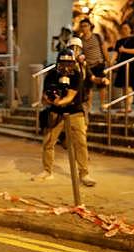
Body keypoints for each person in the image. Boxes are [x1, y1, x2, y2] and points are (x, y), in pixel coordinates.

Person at [32, 49, 98, 187]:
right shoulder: (51, 75)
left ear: (73, 63)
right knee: (48, 142)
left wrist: (59, 102)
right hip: (56, 112)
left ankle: (84, 174)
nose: (66, 66)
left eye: (69, 63)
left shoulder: (76, 76)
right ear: (58, 62)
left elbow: (70, 97)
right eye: (63, 63)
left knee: (80, 143)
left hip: (75, 112)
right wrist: (51, 100)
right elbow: (45, 95)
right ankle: (47, 170)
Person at [79, 18, 110, 111]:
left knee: (102, 86)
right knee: (88, 87)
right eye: (82, 26)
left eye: (86, 26)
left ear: (90, 26)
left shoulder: (97, 36)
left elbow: (104, 48)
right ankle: (89, 106)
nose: (84, 28)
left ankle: (103, 105)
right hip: (88, 66)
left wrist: (108, 60)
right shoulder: (80, 40)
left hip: (99, 64)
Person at [113, 22, 134, 113]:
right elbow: (116, 53)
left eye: (126, 28)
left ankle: (128, 106)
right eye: (123, 28)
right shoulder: (119, 41)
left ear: (130, 29)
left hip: (130, 65)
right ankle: (125, 106)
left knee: (129, 86)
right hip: (122, 65)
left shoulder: (133, 39)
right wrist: (111, 61)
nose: (124, 30)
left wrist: (124, 50)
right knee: (123, 87)